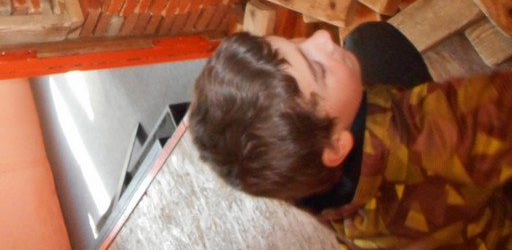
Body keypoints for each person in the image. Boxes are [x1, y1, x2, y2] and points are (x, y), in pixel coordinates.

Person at [188, 25, 512, 248]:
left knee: (365, 44)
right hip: (493, 228)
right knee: (372, 41)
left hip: (414, 225)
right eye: (319, 70)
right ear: (335, 145)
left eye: (296, 42)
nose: (322, 37)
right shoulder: (431, 126)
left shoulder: (295, 171)